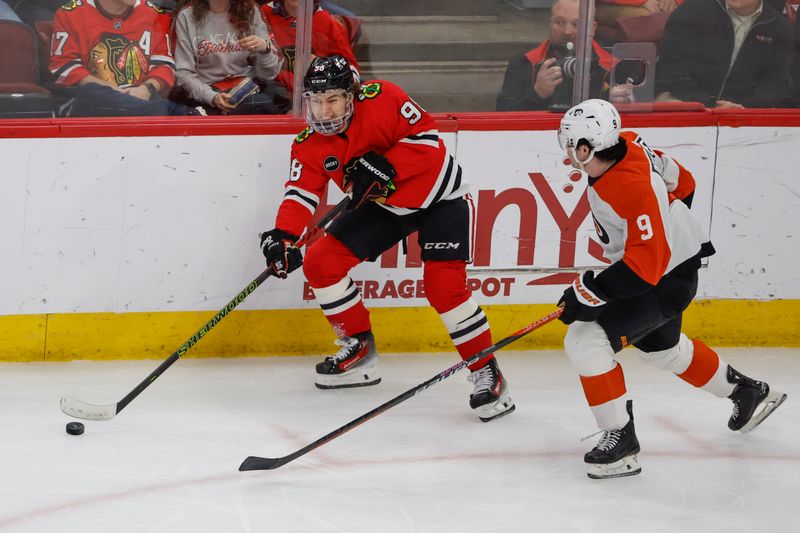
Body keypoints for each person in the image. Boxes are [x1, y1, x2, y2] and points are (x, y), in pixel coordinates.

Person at [259, 54, 515, 422]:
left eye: (332, 99)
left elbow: (428, 141)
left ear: (352, 95)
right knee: (320, 262)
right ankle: (359, 349)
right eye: (315, 101)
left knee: (445, 289)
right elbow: (300, 192)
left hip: (438, 197)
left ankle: (485, 369)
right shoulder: (308, 142)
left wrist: (390, 164)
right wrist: (283, 236)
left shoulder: (385, 97)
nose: (323, 110)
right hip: (383, 205)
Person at [555, 99, 787, 479]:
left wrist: (588, 292)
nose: (566, 152)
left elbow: (644, 270)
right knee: (661, 351)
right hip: (671, 269)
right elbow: (686, 183)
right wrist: (667, 227)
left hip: (662, 280)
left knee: (585, 341)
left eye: (569, 145)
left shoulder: (626, 185)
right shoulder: (630, 142)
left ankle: (622, 443)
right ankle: (748, 392)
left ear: (586, 148)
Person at [49, 0, 204, 117]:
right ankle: (177, 113)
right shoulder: (70, 14)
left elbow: (164, 65)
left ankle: (164, 111)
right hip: (91, 109)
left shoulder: (155, 14)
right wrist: (112, 92)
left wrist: (146, 89)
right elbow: (64, 67)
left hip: (143, 103)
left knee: (146, 104)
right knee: (91, 92)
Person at [496, 0, 631, 112]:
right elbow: (501, 117)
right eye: (559, 22)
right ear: (550, 23)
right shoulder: (523, 64)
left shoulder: (614, 67)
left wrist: (624, 104)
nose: (567, 31)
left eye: (576, 24)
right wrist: (537, 94)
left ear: (592, 28)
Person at [655, 0, 792, 108]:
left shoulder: (779, 27)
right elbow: (671, 68)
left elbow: (775, 83)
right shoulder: (692, 10)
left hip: (743, 111)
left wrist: (744, 107)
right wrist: (710, 105)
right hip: (686, 100)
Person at [173, 0, 286, 114]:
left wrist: (265, 50)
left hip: (248, 89)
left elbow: (268, 75)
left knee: (269, 105)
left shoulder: (251, 12)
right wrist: (211, 96)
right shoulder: (186, 16)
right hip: (206, 93)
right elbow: (184, 73)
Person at [260, 0, 357, 94]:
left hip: (317, 95)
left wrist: (323, 68)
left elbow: (351, 71)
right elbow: (253, 66)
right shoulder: (263, 14)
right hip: (274, 92)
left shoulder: (328, 22)